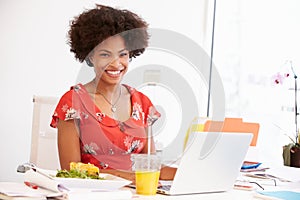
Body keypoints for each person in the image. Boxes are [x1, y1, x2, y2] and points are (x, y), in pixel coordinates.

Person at [50, 4, 176, 181]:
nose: (116, 64)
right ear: (90, 56)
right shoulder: (72, 103)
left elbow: (150, 167)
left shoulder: (142, 104)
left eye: (122, 54)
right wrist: (128, 177)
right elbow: (71, 172)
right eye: (105, 54)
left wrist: (188, 173)